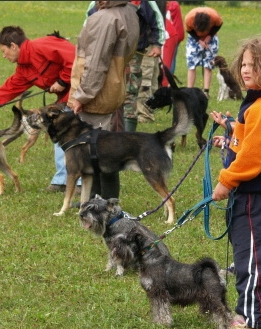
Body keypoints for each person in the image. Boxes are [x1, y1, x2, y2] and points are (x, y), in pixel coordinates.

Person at [210, 36, 261, 329]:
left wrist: (226, 181)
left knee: (250, 258)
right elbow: (252, 142)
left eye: (254, 66)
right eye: (244, 64)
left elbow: (252, 159)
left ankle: (249, 319)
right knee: (259, 255)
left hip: (256, 195)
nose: (245, 71)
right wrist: (231, 135)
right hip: (259, 195)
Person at [0, 26, 76, 193]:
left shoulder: (42, 46)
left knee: (75, 136)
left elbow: (75, 57)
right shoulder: (24, 67)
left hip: (84, 91)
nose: (3, 56)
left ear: (14, 46)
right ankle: (62, 181)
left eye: (4, 51)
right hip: (66, 98)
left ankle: (78, 182)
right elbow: (10, 88)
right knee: (60, 134)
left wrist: (62, 81)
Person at [67, 0, 139, 200]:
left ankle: (100, 203)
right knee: (108, 148)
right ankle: (104, 201)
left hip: (99, 94)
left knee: (96, 151)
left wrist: (81, 95)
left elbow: (96, 63)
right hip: (115, 87)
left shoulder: (105, 18)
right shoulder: (130, 12)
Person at [124, 0, 165, 131]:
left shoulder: (146, 2)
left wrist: (157, 44)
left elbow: (157, 20)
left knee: (132, 88)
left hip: (136, 50)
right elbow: (91, 17)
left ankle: (128, 130)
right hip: (110, 51)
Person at [184, 6, 222, 99]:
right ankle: (189, 92)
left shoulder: (215, 17)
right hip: (193, 40)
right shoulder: (189, 19)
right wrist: (199, 40)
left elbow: (219, 25)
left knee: (208, 65)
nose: (202, 33)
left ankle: (206, 92)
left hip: (211, 38)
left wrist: (209, 36)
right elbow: (189, 30)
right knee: (191, 65)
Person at [161, 1, 184, 87]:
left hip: (170, 35)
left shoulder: (171, 6)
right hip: (175, 34)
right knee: (172, 60)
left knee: (169, 61)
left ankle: (168, 82)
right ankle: (169, 81)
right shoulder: (174, 4)